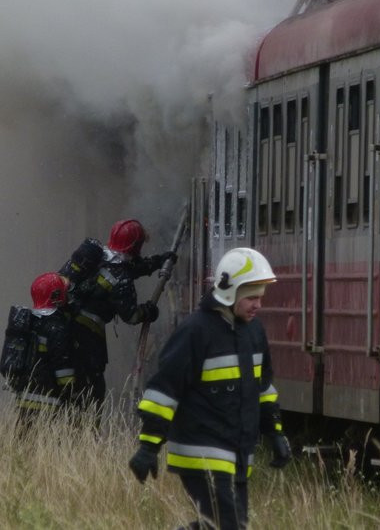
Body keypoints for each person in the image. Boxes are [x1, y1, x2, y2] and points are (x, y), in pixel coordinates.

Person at [128, 247, 291, 530]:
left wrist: (275, 433)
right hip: (200, 451)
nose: (258, 305)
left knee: (223, 525)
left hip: (238, 451)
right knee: (228, 525)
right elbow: (164, 391)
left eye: (261, 297)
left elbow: (263, 389)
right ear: (230, 292)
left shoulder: (254, 332)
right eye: (251, 297)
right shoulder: (195, 331)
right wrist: (148, 446)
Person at [58, 219, 175, 411]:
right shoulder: (120, 277)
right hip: (88, 340)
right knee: (92, 392)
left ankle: (66, 430)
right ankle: (87, 431)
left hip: (66, 331)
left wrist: (157, 262)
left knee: (73, 387)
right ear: (135, 246)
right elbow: (132, 316)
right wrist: (148, 311)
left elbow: (132, 268)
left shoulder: (98, 257)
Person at [13, 272, 77, 432]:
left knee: (25, 443)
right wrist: (73, 393)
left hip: (24, 397)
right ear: (56, 295)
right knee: (46, 442)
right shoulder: (57, 327)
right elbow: (64, 369)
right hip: (48, 399)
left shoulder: (29, 322)